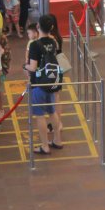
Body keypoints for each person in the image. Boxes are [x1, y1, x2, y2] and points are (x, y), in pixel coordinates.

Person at [26, 15, 63, 154]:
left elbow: (33, 67)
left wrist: (25, 66)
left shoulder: (34, 45)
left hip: (39, 84)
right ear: (51, 28)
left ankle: (44, 145)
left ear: (37, 27)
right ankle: (57, 140)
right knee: (52, 112)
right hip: (51, 82)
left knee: (39, 115)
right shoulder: (54, 42)